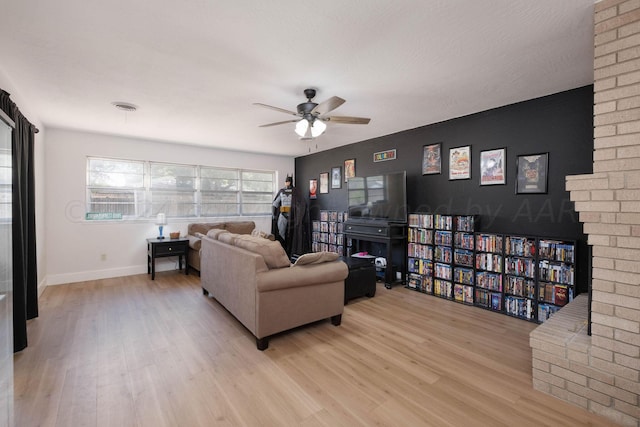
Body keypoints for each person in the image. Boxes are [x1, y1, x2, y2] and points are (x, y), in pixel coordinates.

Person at [272, 175, 310, 257]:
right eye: (286, 181)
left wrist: (299, 215)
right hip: (282, 215)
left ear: (291, 182)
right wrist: (274, 214)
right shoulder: (281, 191)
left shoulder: (296, 192)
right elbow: (275, 203)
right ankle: (282, 250)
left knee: (292, 234)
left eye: (288, 181)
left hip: (292, 217)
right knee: (281, 232)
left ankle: (290, 251)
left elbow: (302, 203)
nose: (287, 183)